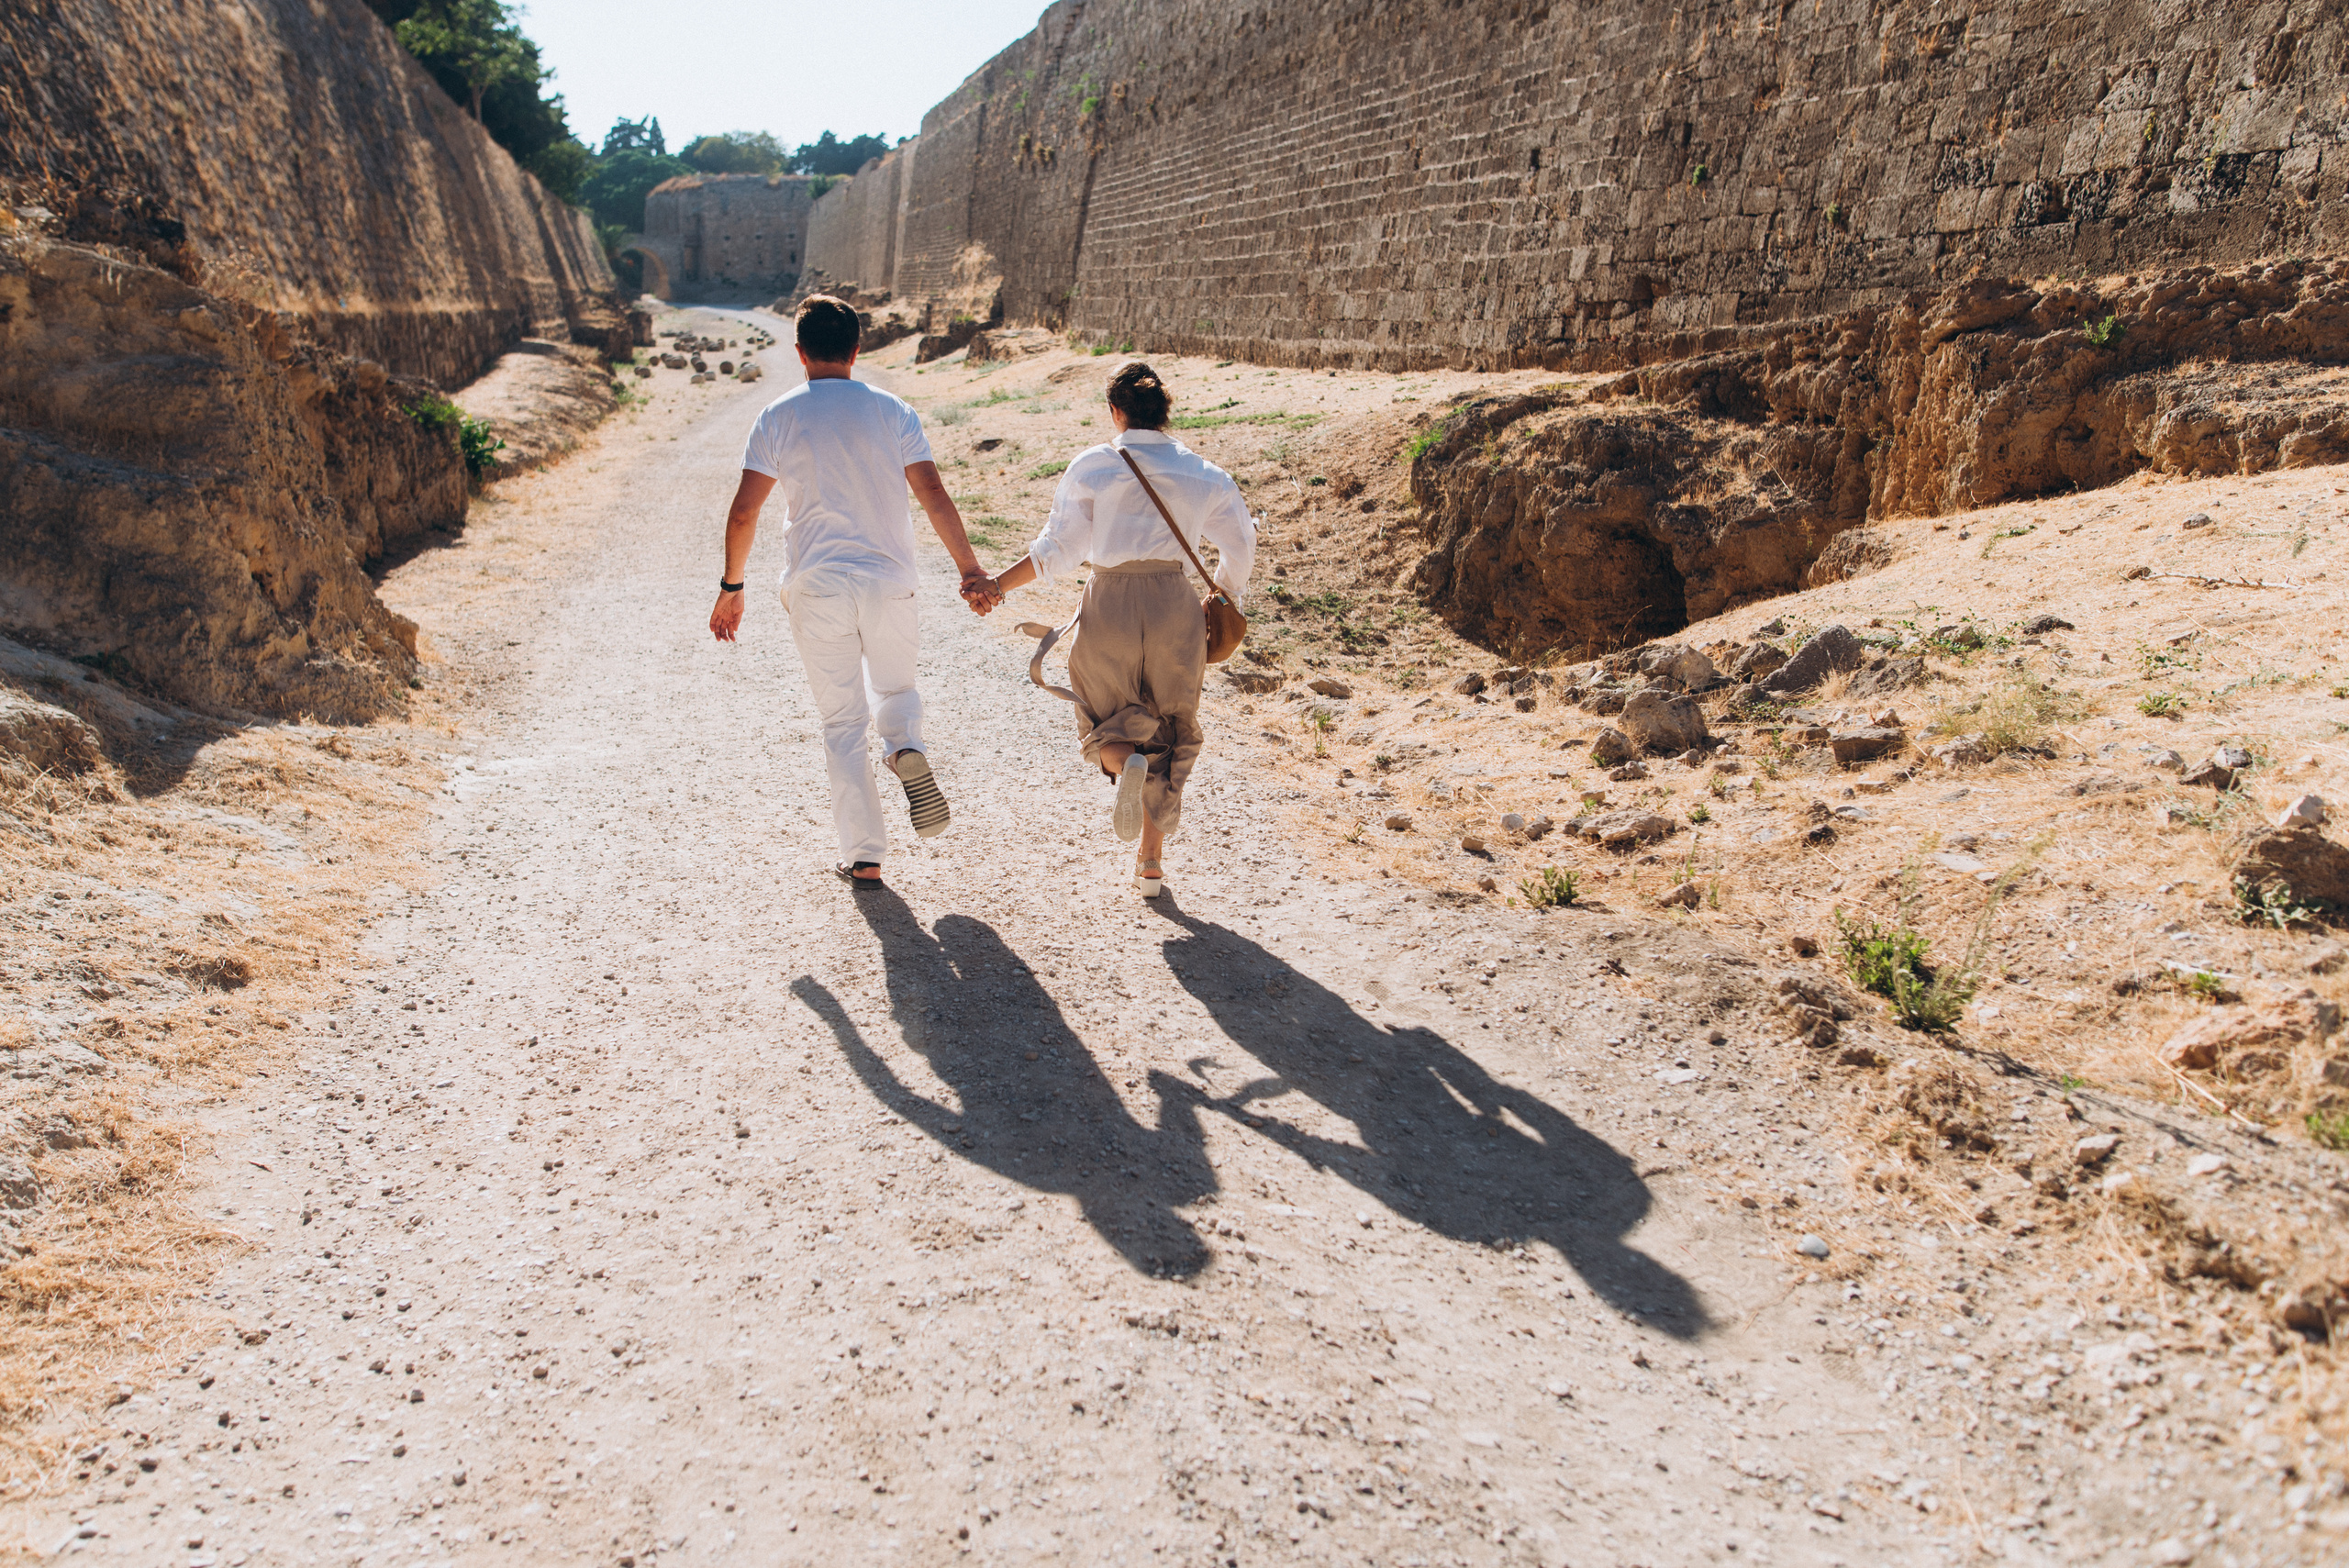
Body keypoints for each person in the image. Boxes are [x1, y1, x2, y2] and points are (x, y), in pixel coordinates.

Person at [708, 295, 993, 886]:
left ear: (799, 353)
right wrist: (970, 570)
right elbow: (934, 495)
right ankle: (904, 745)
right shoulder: (894, 411)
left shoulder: (777, 416)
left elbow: (743, 513)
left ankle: (865, 856)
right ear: (858, 350)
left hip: (816, 586)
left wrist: (733, 586)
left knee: (841, 721)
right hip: (889, 580)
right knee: (896, 687)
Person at [973, 361, 1257, 896]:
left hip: (1110, 604)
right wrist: (1223, 593)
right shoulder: (1203, 472)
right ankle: (1150, 864)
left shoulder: (1096, 465)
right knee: (1172, 731)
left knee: (1102, 720)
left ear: (1116, 412)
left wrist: (996, 586)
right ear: (1166, 414)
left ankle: (1124, 761)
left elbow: (1057, 550)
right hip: (1175, 605)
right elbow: (1240, 542)